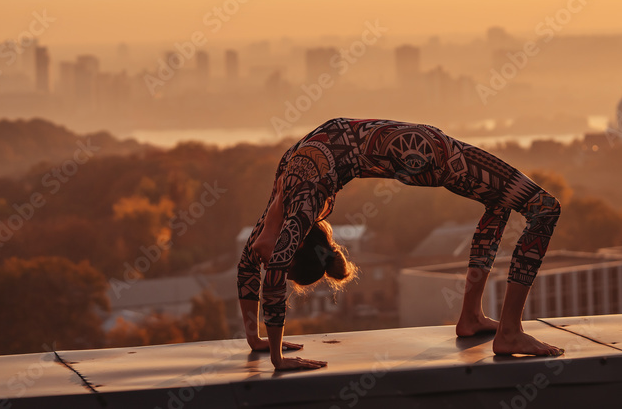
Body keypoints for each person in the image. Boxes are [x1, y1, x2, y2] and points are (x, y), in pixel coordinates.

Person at [237, 118, 563, 371]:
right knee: (543, 208)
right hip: (424, 150)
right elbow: (254, 267)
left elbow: (268, 273)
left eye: (280, 256)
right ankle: (505, 330)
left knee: (507, 203)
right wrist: (259, 341)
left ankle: (475, 318)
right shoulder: (288, 190)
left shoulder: (296, 199)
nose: (267, 258)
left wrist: (274, 354)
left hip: (423, 150)